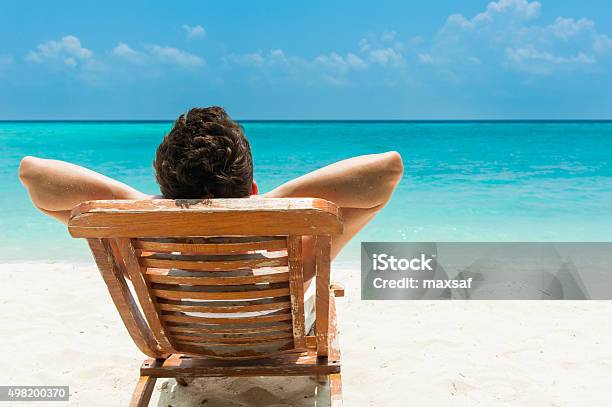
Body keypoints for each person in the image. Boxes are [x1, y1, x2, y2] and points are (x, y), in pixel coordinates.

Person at [18, 106, 403, 282]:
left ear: (164, 191)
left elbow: (33, 174)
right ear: (251, 189)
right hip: (273, 342)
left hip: (186, 337)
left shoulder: (141, 246)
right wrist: (266, 203)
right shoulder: (291, 254)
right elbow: (387, 168)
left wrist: (152, 208)